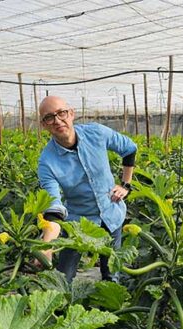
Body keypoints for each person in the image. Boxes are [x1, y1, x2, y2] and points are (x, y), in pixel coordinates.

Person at [37, 96, 137, 282]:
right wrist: (47, 245)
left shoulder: (97, 133)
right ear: (44, 125)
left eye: (61, 113)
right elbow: (53, 206)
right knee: (62, 278)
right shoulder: (46, 162)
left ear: (71, 114)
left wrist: (125, 185)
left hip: (111, 213)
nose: (58, 120)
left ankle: (110, 306)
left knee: (112, 275)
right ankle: (60, 308)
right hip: (78, 223)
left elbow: (129, 148)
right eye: (49, 117)